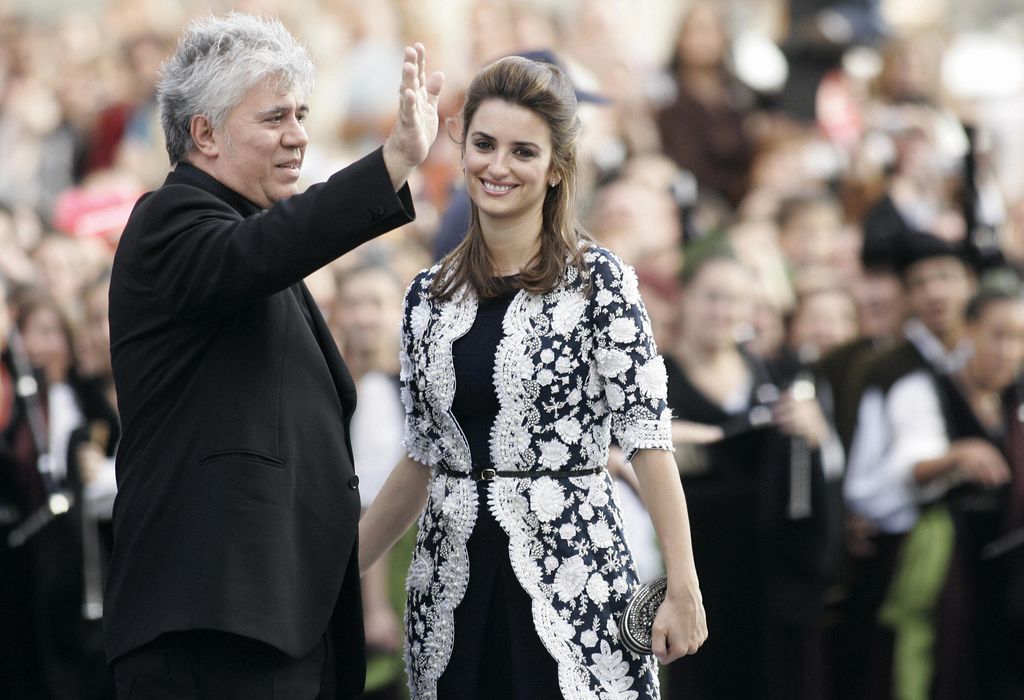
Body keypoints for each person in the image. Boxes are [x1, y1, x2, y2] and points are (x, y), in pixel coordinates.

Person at [103, 13, 443, 699]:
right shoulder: (171, 221)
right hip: (215, 629)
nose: (299, 136)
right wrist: (392, 163)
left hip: (280, 625)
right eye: (275, 118)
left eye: (304, 114)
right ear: (205, 133)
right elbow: (260, 253)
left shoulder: (253, 242)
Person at [358, 55, 707, 699]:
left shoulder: (599, 282)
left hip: (575, 576)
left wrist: (683, 584)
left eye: (524, 152)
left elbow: (648, 442)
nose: (498, 166)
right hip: (449, 585)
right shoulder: (425, 298)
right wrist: (341, 573)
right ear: (461, 151)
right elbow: (421, 458)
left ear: (556, 170)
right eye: (484, 145)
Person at [663, 249, 839, 700]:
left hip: (768, 580)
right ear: (685, 299)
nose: (723, 312)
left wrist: (816, 436)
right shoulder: (653, 379)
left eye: (736, 300)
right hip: (687, 572)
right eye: (712, 297)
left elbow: (826, 471)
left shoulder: (781, 377)